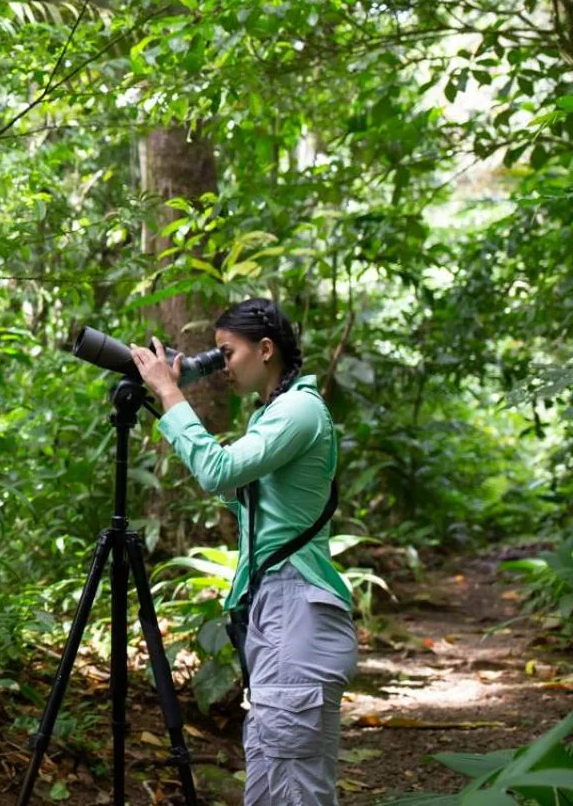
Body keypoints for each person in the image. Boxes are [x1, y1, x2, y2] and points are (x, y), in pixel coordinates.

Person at [128, 298, 357, 806]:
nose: (223, 366)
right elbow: (239, 488)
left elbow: (219, 472)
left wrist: (169, 392)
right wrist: (169, 395)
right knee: (271, 781)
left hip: (296, 609)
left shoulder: (298, 410)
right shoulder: (276, 413)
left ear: (266, 349)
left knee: (293, 787)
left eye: (227, 353)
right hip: (280, 612)